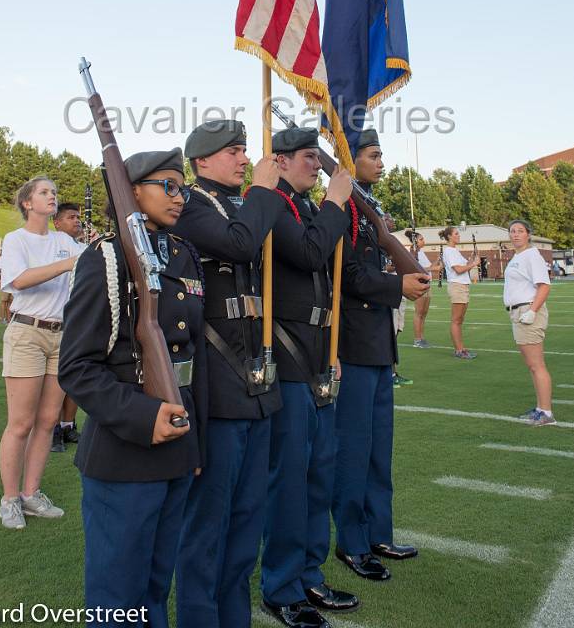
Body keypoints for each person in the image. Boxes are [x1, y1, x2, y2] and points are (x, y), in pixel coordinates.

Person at [59, 150, 207, 628]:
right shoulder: (105, 259)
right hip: (125, 456)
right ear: (131, 192)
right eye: (167, 185)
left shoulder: (180, 253)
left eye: (181, 187)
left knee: (155, 589)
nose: (178, 196)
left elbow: (189, 359)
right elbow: (78, 368)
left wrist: (193, 441)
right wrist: (145, 418)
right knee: (118, 598)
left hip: (177, 449)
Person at [175, 120, 283, 628]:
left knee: (246, 522)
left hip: (258, 387)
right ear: (201, 161)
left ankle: (234, 617)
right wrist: (264, 188)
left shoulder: (246, 205)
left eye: (245, 150)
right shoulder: (192, 205)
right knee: (208, 526)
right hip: (219, 387)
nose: (245, 159)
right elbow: (239, 245)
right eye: (234, 151)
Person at [261, 126, 358, 628]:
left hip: (320, 354)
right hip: (290, 358)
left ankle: (309, 572)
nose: (316, 166)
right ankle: (281, 585)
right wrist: (336, 203)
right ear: (278, 161)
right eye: (306, 158)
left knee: (320, 475)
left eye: (317, 159)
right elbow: (309, 254)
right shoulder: (273, 205)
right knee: (290, 482)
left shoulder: (310, 207)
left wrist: (333, 348)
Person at [333, 128, 428, 585]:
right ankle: (352, 542)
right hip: (353, 345)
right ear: (350, 162)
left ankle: (378, 532)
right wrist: (397, 286)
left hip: (377, 346)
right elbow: (348, 275)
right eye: (374, 155)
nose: (382, 162)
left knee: (378, 450)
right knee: (353, 450)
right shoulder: (345, 209)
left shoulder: (371, 208)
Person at [0, 177, 85, 529]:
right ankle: (9, 499)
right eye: (45, 192)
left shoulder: (65, 240)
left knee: (48, 421)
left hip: (60, 336)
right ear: (27, 203)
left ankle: (31, 494)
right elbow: (18, 280)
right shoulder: (15, 239)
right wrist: (66, 265)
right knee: (21, 423)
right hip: (27, 333)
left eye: (54, 192)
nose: (53, 196)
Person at [504, 219, 555, 426]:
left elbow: (544, 286)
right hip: (518, 313)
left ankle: (547, 413)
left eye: (520, 231)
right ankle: (540, 408)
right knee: (532, 365)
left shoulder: (532, 255)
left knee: (537, 365)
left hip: (527, 311)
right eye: (512, 231)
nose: (515, 234)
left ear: (528, 234)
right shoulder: (518, 256)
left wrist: (532, 311)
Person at [50, 202, 85, 452]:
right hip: (53, 319)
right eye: (71, 217)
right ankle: (52, 428)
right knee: (53, 382)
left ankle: (67, 424)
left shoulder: (85, 247)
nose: (77, 221)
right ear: (57, 222)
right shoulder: (50, 243)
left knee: (74, 378)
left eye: (78, 217)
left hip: (75, 322)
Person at [439, 226, 479, 359]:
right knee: (456, 320)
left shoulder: (454, 250)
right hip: (457, 286)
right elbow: (458, 270)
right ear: (449, 236)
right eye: (456, 233)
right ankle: (459, 350)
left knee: (460, 320)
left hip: (462, 285)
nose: (458, 235)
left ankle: (461, 348)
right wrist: (473, 264)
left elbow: (464, 266)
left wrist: (471, 260)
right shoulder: (449, 251)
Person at [404, 230, 440, 348]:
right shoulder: (413, 252)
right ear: (415, 241)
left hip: (427, 284)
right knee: (419, 313)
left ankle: (422, 337)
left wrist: (438, 260)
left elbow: (429, 267)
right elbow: (418, 268)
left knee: (424, 313)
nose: (423, 241)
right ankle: (417, 339)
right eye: (421, 239)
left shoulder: (421, 252)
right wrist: (434, 269)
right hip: (420, 284)